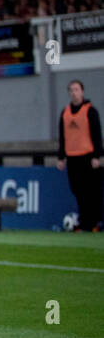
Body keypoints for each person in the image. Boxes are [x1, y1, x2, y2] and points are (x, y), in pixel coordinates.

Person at [57, 79, 103, 232]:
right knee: (78, 191)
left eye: (76, 89)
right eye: (71, 90)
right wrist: (61, 157)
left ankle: (94, 223)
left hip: (88, 157)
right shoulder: (65, 113)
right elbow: (63, 137)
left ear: (82, 91)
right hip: (73, 157)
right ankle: (84, 222)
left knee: (92, 192)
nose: (73, 93)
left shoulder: (90, 111)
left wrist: (97, 156)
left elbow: (97, 134)